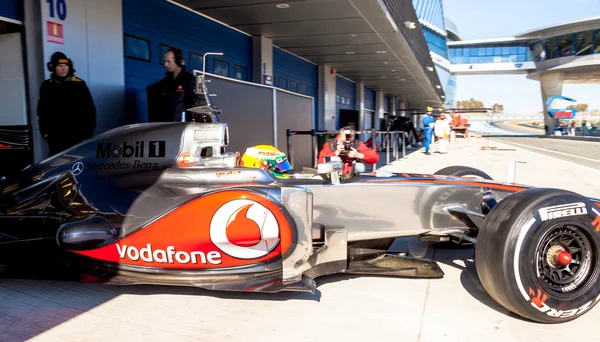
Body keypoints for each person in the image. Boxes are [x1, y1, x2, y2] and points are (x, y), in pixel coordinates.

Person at [37, 51, 96, 157]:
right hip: (55, 138)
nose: (64, 68)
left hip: (77, 137)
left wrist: (87, 134)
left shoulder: (79, 84)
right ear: (53, 67)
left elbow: (89, 111)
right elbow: (42, 111)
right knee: (56, 166)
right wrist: (46, 134)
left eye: (66, 65)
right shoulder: (47, 86)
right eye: (60, 66)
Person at [155, 47, 196, 122]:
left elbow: (194, 105)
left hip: (182, 126)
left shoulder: (189, 80)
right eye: (165, 61)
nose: (165, 64)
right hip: (166, 126)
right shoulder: (165, 82)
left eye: (168, 61)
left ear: (178, 61)